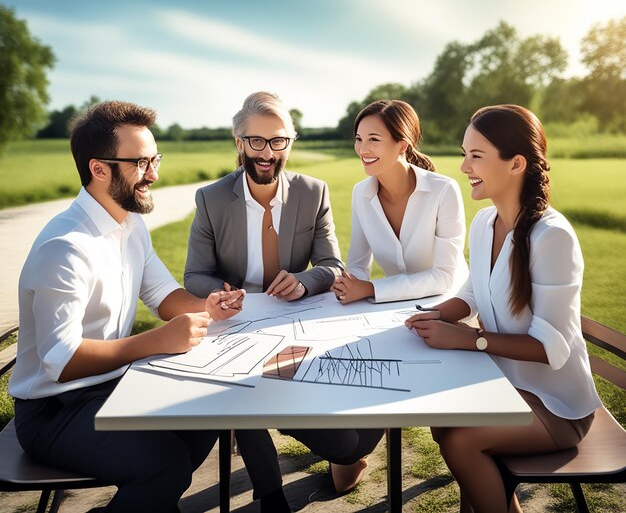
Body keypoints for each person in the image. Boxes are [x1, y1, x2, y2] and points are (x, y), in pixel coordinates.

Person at [9, 101, 245, 513]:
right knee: (164, 464)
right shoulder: (65, 248)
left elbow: (163, 295)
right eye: (140, 162)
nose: (154, 174)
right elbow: (60, 362)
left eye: (155, 159)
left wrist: (209, 305)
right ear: (99, 169)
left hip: (108, 386)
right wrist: (156, 341)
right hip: (53, 411)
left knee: (208, 411)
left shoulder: (129, 223)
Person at [184, 91, 383, 512]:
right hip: (234, 324)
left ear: (288, 144)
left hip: (296, 322)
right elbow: (194, 275)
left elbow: (332, 264)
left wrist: (305, 282)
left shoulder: (313, 192)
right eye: (256, 141)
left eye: (278, 142)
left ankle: (346, 457)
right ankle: (270, 495)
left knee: (346, 440)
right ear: (239, 142)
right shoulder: (211, 198)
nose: (266, 153)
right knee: (246, 391)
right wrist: (221, 294)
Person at [405, 104, 602, 513]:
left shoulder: (552, 237)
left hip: (557, 407)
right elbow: (473, 294)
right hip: (511, 389)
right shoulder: (484, 223)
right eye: (464, 153)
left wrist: (469, 340)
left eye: (475, 155)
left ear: (516, 164)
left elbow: (553, 348)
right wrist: (435, 316)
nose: (463, 166)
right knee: (441, 421)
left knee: (461, 439)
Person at [331, 99, 468, 304]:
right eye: (359, 139)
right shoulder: (361, 193)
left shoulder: (444, 190)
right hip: (395, 308)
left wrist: (370, 288)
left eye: (374, 139)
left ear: (402, 145)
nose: (362, 149)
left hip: (449, 304)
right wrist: (348, 284)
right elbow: (358, 265)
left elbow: (444, 276)